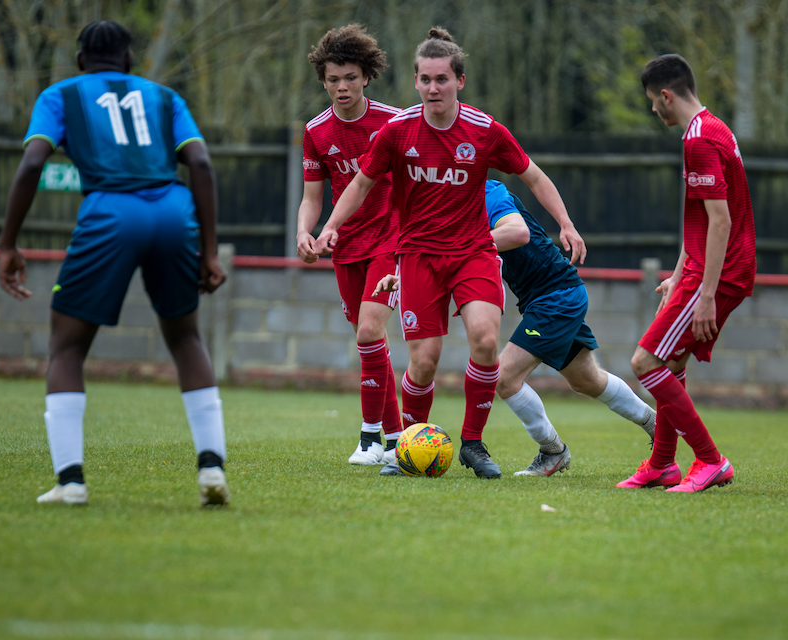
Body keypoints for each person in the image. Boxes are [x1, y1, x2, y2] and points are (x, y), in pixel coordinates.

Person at [316, 27, 585, 479]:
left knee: (484, 340)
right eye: (424, 79)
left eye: (441, 79)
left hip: (474, 252)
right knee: (423, 362)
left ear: (460, 80)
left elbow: (534, 176)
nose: (432, 88)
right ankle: (410, 446)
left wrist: (567, 224)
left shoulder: (484, 130)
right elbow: (361, 183)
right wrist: (330, 226)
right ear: (415, 82)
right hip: (417, 256)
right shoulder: (397, 131)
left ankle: (473, 445)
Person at [0, 21, 230, 506]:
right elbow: (202, 165)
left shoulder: (61, 95)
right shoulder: (165, 97)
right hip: (172, 210)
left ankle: (71, 481)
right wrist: (208, 251)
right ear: (128, 60)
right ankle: (211, 468)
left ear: (81, 60)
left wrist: (8, 244)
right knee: (186, 337)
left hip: (110, 212)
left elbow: (32, 163)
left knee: (66, 347)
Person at [376, 180, 657, 477]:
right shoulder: (440, 203)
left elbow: (517, 233)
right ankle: (657, 424)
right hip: (545, 297)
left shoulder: (487, 190)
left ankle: (553, 451)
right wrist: (401, 273)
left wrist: (460, 244)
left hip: (556, 295)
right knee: (587, 380)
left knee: (505, 377)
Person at [617, 54, 756, 492]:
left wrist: (706, 294)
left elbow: (721, 222)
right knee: (670, 363)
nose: (653, 111)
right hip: (708, 269)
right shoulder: (712, 127)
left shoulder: (698, 141)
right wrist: (679, 276)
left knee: (645, 361)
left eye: (652, 102)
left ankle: (711, 459)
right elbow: (700, 218)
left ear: (666, 95)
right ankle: (661, 464)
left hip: (719, 272)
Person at [297, 25, 403, 467]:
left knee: (368, 332)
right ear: (323, 79)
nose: (342, 86)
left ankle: (369, 438)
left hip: (393, 239)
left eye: (351, 77)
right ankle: (399, 440)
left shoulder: (395, 122)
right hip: (346, 245)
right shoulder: (316, 131)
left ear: (366, 76)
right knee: (371, 345)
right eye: (334, 78)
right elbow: (312, 198)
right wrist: (305, 232)